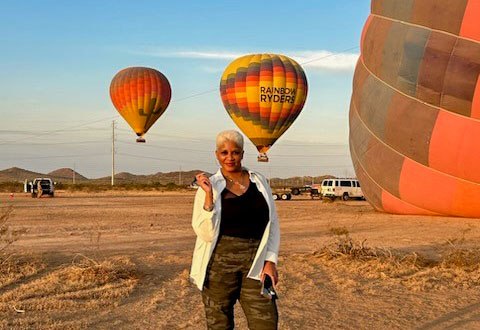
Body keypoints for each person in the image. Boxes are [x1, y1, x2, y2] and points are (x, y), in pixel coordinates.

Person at [190, 130, 280, 330]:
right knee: (219, 323)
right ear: (216, 155)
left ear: (242, 153)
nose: (229, 158)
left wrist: (271, 261)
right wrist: (208, 197)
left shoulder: (260, 182)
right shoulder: (209, 186)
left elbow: (272, 223)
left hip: (256, 261)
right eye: (224, 153)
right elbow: (206, 234)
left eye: (235, 152)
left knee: (266, 321)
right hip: (219, 265)